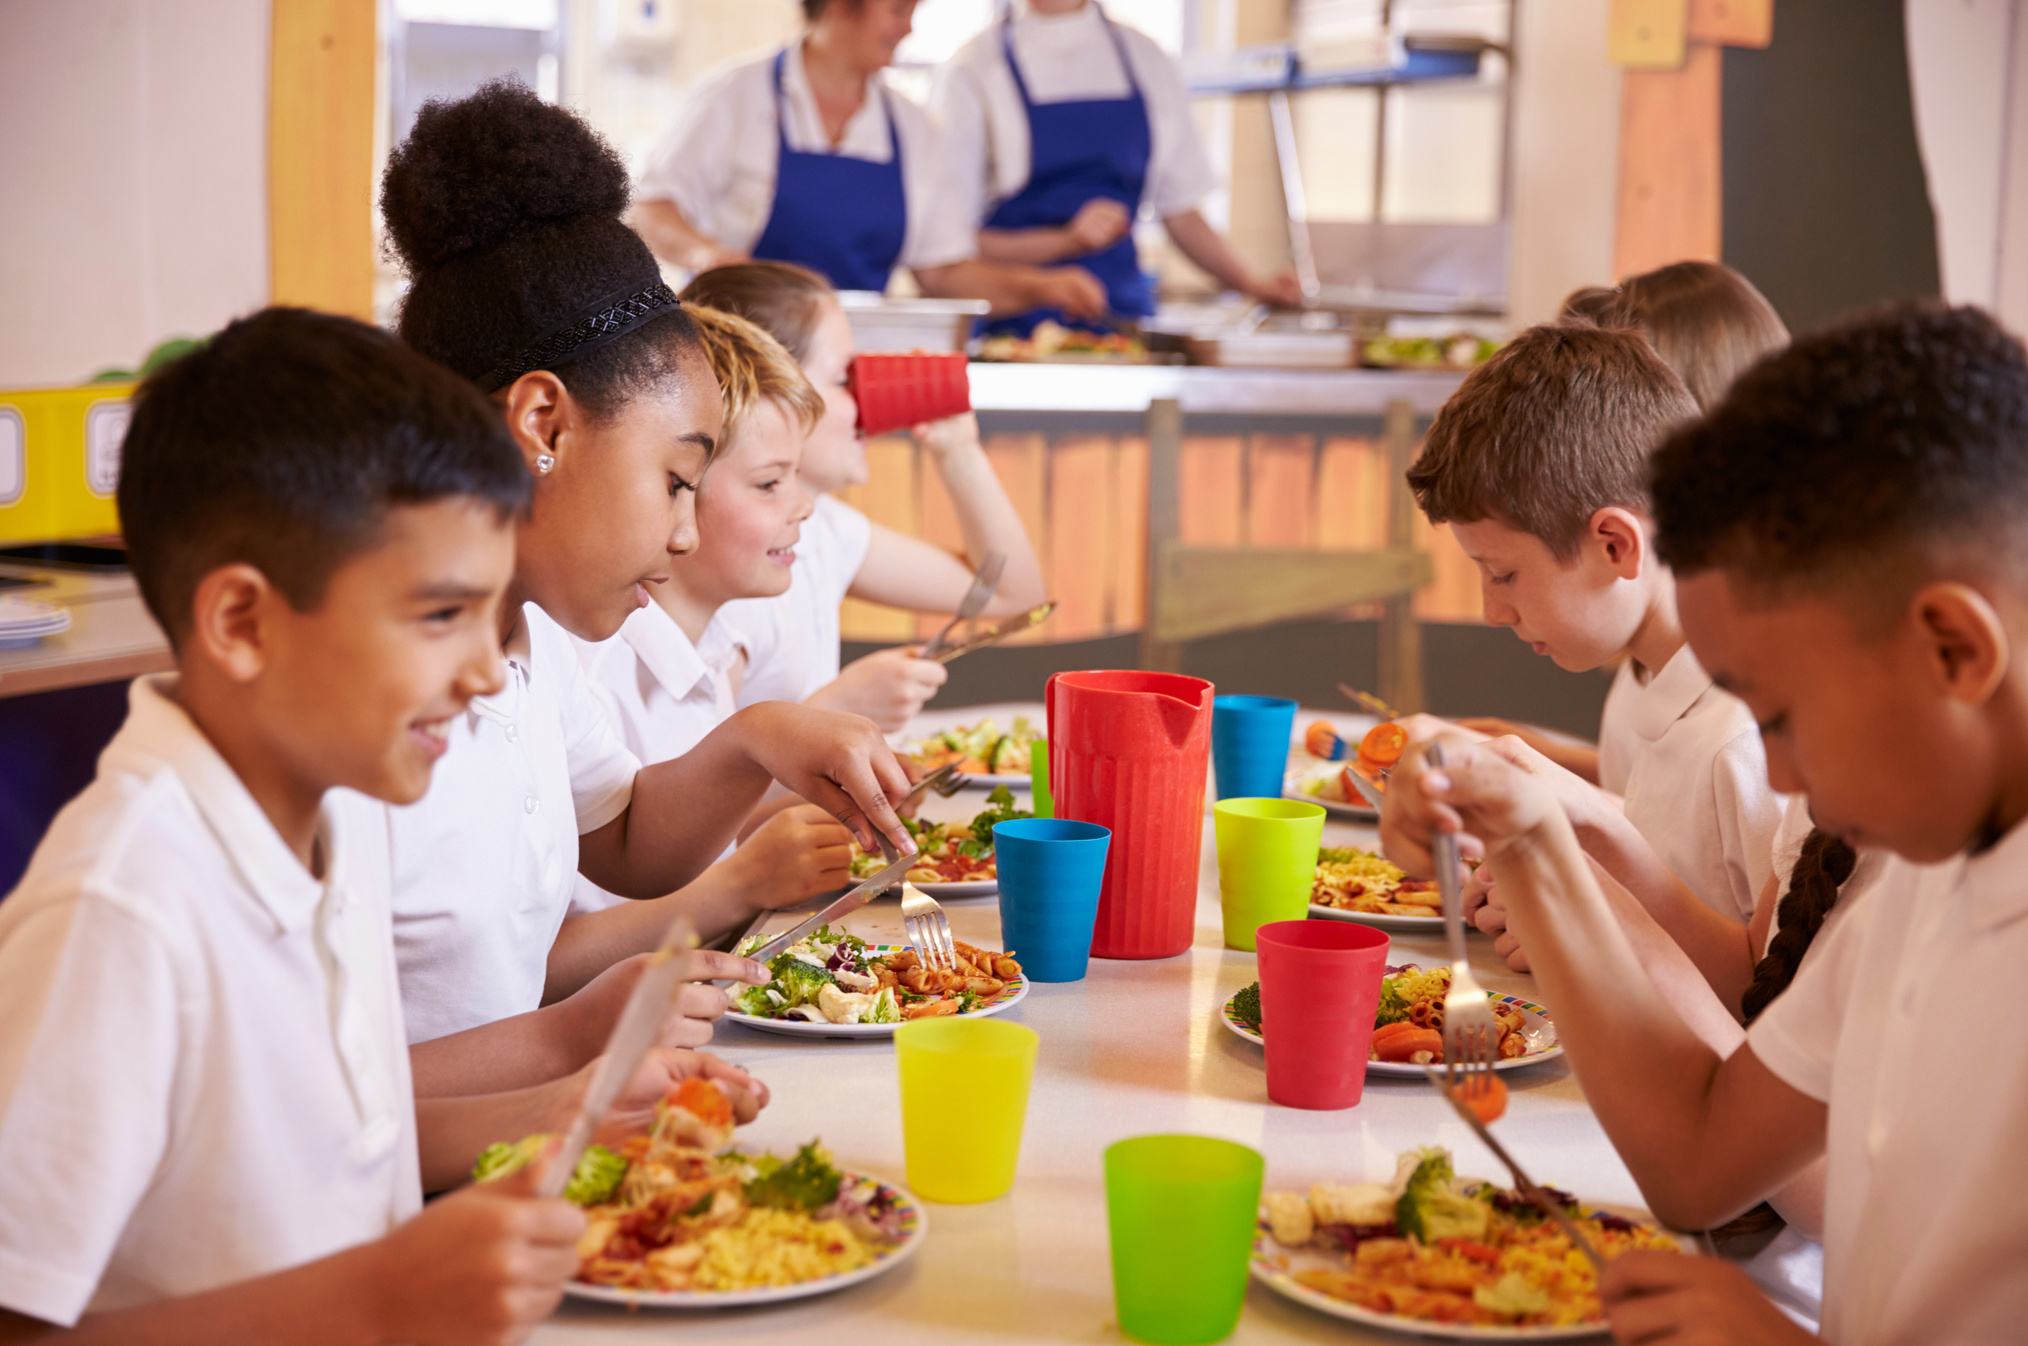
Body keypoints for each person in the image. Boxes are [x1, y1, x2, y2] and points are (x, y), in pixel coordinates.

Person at [0, 307, 767, 1342]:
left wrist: (571, 1093)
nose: (489, 671)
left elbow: (335, 1147)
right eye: (438, 616)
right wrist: (377, 1296)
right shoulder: (125, 905)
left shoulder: (330, 824)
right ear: (242, 622)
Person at [1383, 301, 2028, 1345]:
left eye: (1781, 712)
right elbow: (1695, 1154)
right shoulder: (1912, 885)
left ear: (1953, 649)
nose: (1772, 765)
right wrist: (1534, 836)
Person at [377, 83, 917, 1081]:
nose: (682, 531)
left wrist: (761, 735)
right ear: (542, 425)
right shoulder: (369, 714)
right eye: (676, 479)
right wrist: (577, 1048)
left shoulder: (536, 648)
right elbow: (326, 1096)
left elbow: (619, 834)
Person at [1404, 320, 1785, 927]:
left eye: (1502, 575)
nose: (1492, 612)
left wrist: (1576, 919)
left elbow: (1762, 993)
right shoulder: (1649, 671)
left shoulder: (1746, 745)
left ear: (1615, 545)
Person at [558, 306, 858, 975]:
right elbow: (551, 955)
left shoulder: (712, 654)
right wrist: (742, 883)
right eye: (770, 483)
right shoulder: (589, 671)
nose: (804, 506)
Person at [684, 261, 1048, 731]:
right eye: (844, 378)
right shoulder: (727, 573)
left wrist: (959, 452)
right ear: (775, 388)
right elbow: (692, 796)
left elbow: (1009, 593)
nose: (868, 399)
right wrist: (835, 712)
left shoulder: (821, 528)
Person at [1467, 261, 1791, 781]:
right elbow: (1658, 793)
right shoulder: (1650, 629)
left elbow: (1711, 808)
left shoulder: (1743, 702)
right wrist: (1537, 755)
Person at [629, 0, 1105, 321]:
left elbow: (942, 272)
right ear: (840, 6)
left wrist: (1040, 287)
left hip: (851, 369)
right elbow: (650, 210)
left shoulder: (914, 128)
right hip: (734, 359)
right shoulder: (732, 97)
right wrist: (705, 255)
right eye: (898, 10)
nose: (909, 28)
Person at [933, 0, 1302, 333]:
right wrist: (1065, 242)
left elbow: (1182, 214)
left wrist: (1251, 284)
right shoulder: (973, 68)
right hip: (1008, 333)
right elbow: (949, 247)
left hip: (1123, 327)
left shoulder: (1146, 59)